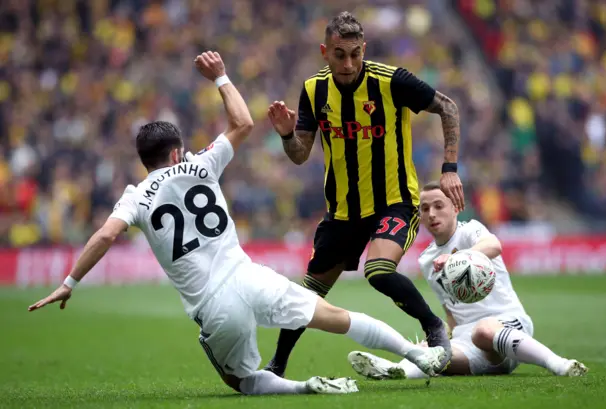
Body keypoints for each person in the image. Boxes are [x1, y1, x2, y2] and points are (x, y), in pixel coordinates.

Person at [27, 51, 447, 396]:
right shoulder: (200, 164)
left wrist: (71, 282)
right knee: (337, 315)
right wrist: (222, 77)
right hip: (249, 277)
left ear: (146, 160)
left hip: (212, 306)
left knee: (240, 380)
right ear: (177, 152)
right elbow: (244, 123)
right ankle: (419, 355)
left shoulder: (135, 196)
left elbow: (105, 235)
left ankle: (303, 387)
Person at [265, 11, 464, 378]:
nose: (348, 63)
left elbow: (447, 107)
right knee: (307, 295)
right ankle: (276, 366)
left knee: (378, 270)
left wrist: (449, 169)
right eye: (340, 54)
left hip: (395, 201)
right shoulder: (313, 90)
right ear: (325, 51)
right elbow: (299, 155)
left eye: (355, 53)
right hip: (342, 213)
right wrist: (286, 134)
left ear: (364, 49)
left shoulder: (392, 81)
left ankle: (434, 327)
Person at [346, 181, 589, 379]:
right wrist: (440, 342)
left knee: (483, 331)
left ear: (455, 207)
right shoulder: (426, 260)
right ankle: (393, 370)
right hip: (467, 339)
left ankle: (559, 364)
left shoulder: (470, 230)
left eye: (439, 206)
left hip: (506, 324)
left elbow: (494, 245)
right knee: (430, 354)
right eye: (425, 208)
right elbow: (451, 312)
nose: (431, 214)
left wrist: (457, 258)